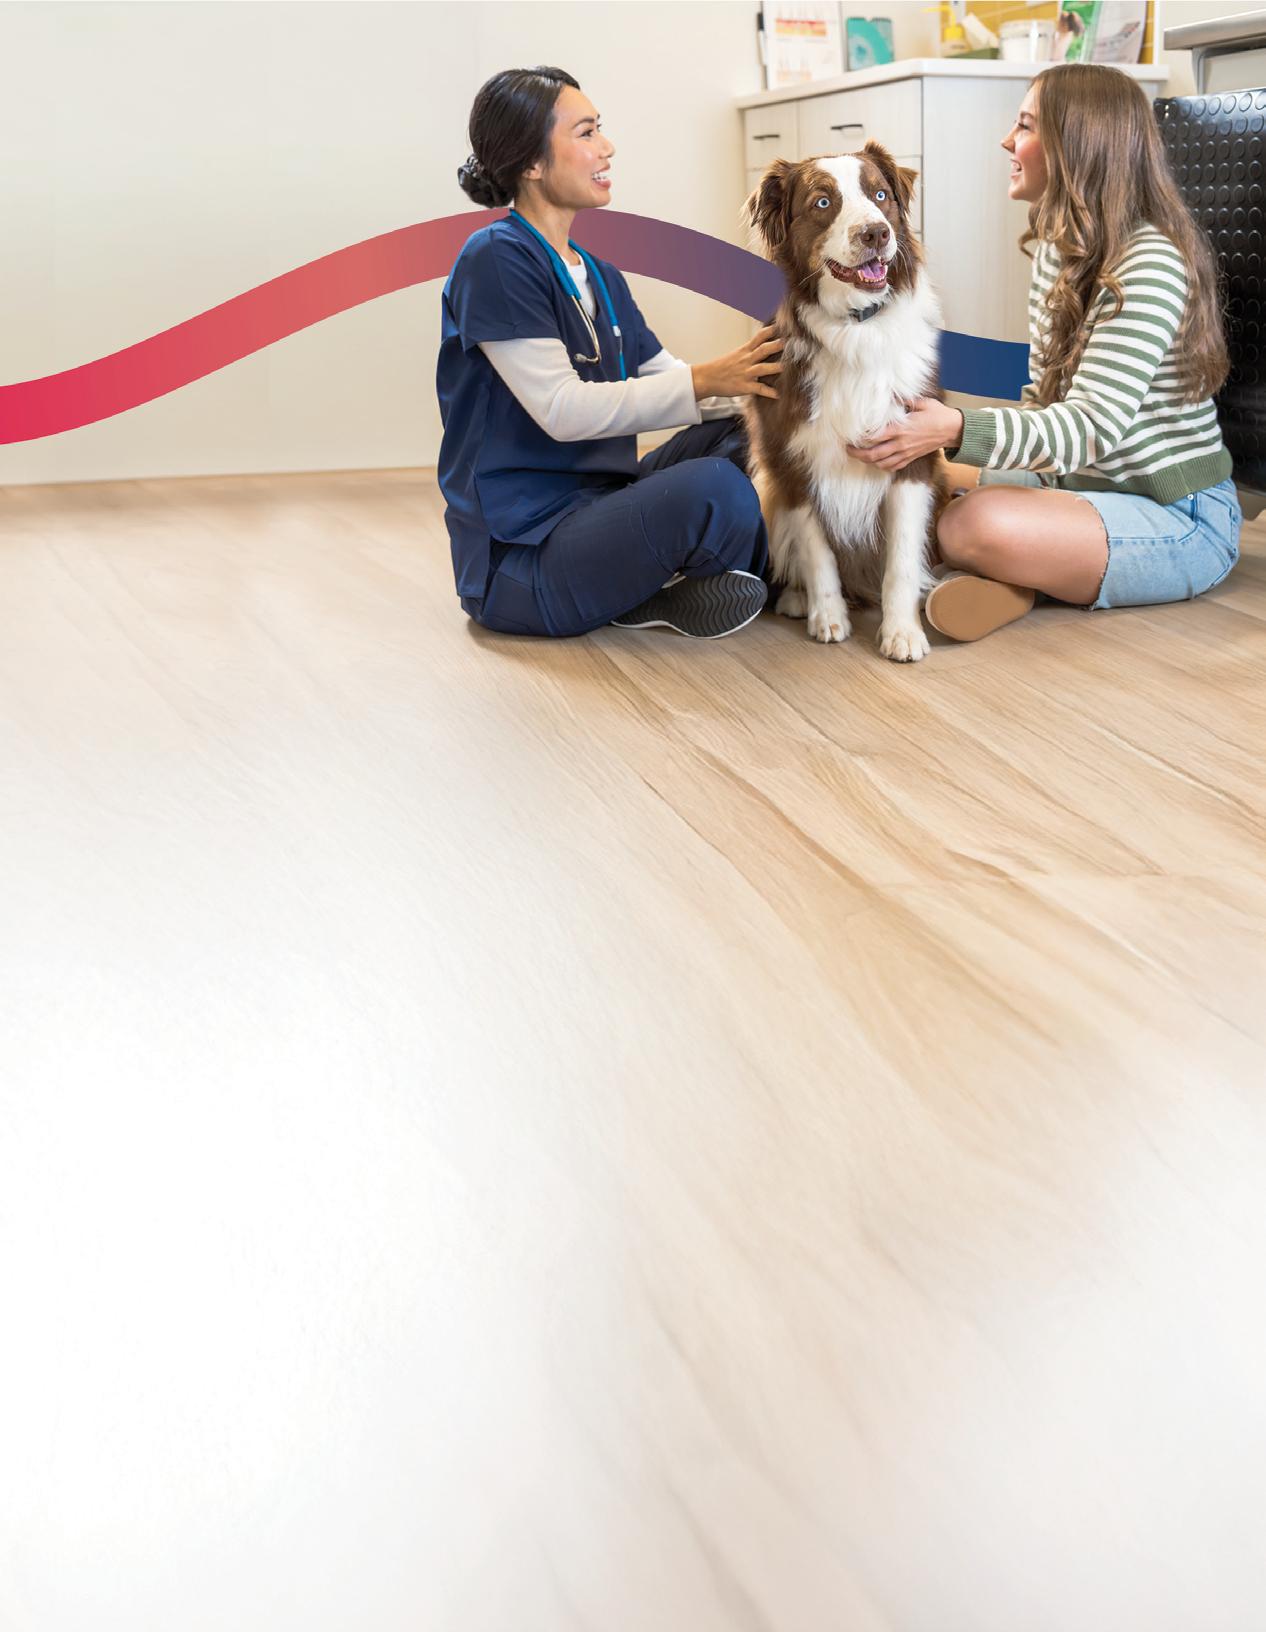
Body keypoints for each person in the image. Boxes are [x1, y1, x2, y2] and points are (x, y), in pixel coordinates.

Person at [848, 62, 1242, 642]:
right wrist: (942, 453)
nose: (1007, 140)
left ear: (1076, 143)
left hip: (1176, 515)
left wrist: (954, 428)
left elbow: (1090, 429)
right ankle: (1025, 576)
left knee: (966, 524)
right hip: (1077, 485)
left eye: (1026, 126)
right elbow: (1042, 402)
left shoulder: (1150, 264)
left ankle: (1022, 570)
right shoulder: (1060, 250)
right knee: (915, 485)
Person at [436, 66, 783, 639]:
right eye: (587, 132)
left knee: (749, 436)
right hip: (523, 555)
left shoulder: (600, 275)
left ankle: (656, 584)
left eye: (600, 129)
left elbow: (666, 379)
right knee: (715, 490)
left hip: (602, 508)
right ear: (531, 162)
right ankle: (671, 582)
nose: (607, 147)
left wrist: (779, 395)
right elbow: (563, 411)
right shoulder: (494, 257)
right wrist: (707, 378)